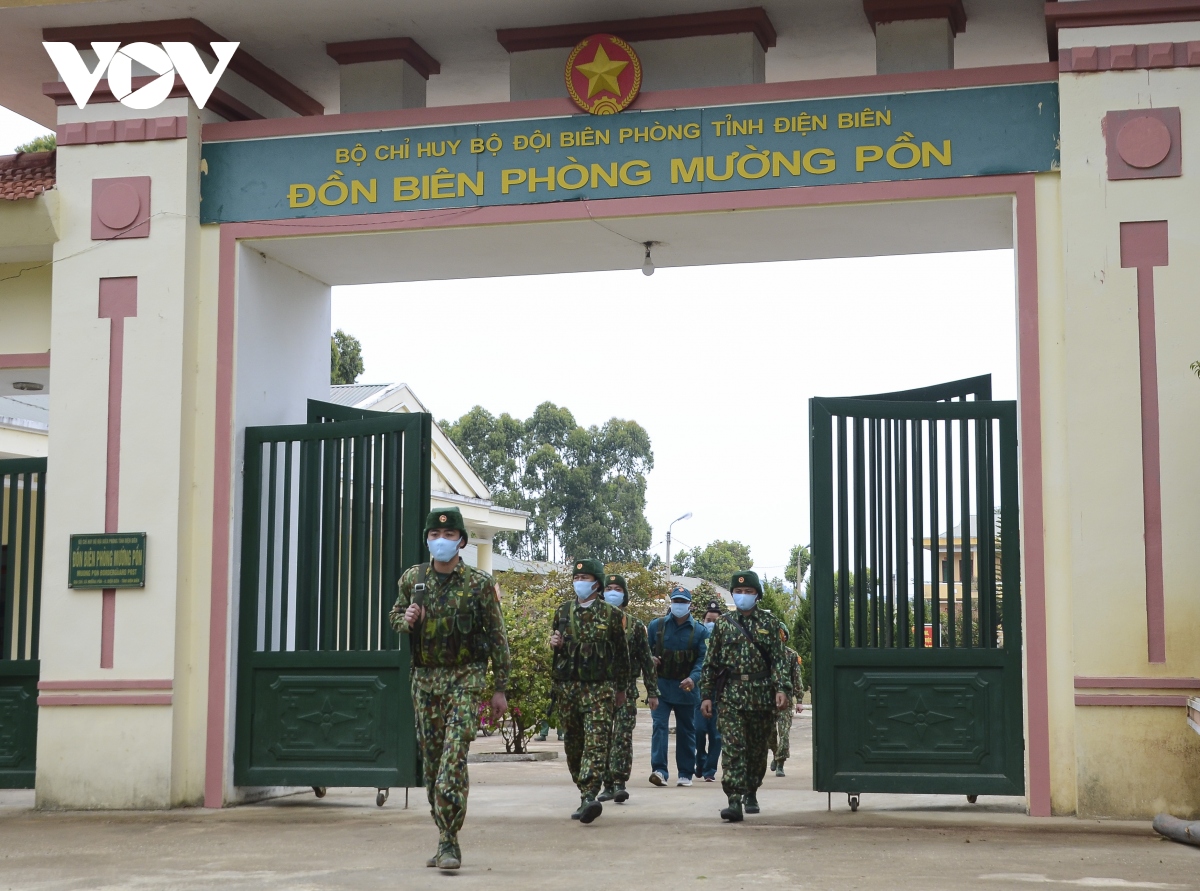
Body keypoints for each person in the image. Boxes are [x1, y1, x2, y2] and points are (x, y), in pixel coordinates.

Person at [389, 508, 510, 870]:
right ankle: (443, 830)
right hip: (425, 682)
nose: (440, 541)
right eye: (434, 535)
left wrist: (499, 687)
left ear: (461, 540)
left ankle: (449, 840)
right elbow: (395, 616)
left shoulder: (479, 583)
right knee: (431, 765)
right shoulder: (414, 578)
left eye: (448, 535)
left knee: (452, 761)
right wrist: (406, 619)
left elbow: (496, 638)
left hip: (465, 679)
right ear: (427, 539)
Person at [699, 570, 790, 823]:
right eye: (738, 592)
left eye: (748, 592)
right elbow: (710, 664)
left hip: (761, 696)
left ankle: (751, 790)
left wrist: (782, 689)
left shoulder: (771, 625)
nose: (743, 596)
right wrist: (706, 695)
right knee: (733, 749)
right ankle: (734, 800)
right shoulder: (723, 624)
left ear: (757, 595)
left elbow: (780, 661)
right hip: (730, 697)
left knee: (757, 750)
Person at [549, 558, 631, 824]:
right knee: (574, 744)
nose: (579, 583)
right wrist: (555, 643)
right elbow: (557, 647)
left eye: (584, 579)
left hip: (600, 689)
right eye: (576, 578)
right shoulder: (562, 611)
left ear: (597, 583)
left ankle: (588, 795)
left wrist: (621, 689)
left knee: (596, 743)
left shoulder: (612, 615)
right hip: (569, 687)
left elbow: (622, 655)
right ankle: (582, 790)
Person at [599, 573, 658, 804]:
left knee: (622, 737)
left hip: (626, 688)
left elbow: (646, 659)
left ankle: (619, 782)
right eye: (609, 587)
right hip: (599, 689)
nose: (613, 591)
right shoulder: (594, 621)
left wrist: (652, 692)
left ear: (625, 595)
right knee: (602, 737)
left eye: (617, 588)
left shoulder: (635, 626)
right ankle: (606, 784)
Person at [646, 585, 707, 787]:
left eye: (682, 602)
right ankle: (659, 770)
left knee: (687, 730)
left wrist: (694, 677)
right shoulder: (657, 626)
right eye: (675, 601)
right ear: (670, 603)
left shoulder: (699, 630)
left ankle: (685, 773)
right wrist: (649, 661)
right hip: (661, 687)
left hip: (686, 689)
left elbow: (703, 660)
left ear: (690, 605)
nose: (678, 605)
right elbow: (643, 651)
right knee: (659, 727)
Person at [694, 600, 725, 782]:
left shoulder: (726, 640)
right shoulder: (699, 639)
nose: (711, 623)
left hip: (719, 693)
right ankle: (700, 760)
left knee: (716, 734)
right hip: (700, 692)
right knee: (698, 730)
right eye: (708, 620)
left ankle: (709, 770)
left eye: (714, 620)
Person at [768, 632, 805, 777]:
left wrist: (800, 700)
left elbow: (797, 677)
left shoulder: (791, 655)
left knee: (784, 734)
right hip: (768, 700)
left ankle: (780, 763)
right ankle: (776, 753)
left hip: (786, 701)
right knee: (769, 734)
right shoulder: (767, 654)